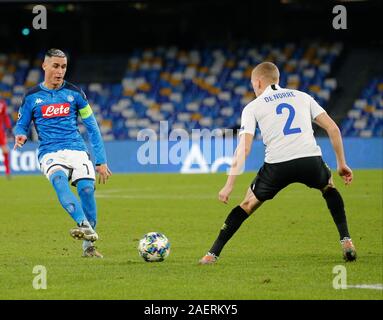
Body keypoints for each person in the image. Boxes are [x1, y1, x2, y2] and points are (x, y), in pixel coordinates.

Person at [199, 62, 356, 264]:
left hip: (277, 165)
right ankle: (346, 241)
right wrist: (341, 164)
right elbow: (333, 129)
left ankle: (211, 255)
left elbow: (244, 148)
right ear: (277, 79)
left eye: (252, 85)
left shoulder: (253, 107)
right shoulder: (303, 97)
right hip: (309, 160)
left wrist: (229, 184)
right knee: (328, 187)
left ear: (258, 82)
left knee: (247, 204)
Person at [14, 48, 112, 258]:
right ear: (45, 66)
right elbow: (20, 124)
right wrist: (20, 134)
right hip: (50, 151)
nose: (60, 71)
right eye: (56, 66)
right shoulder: (32, 97)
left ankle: (89, 248)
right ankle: (83, 224)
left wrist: (101, 161)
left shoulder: (76, 94)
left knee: (86, 189)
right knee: (58, 179)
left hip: (77, 149)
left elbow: (92, 127)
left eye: (64, 67)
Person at [0, 98, 12, 178]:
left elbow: (5, 116)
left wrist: (9, 127)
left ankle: (7, 172)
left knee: (5, 150)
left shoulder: (2, 103)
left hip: (0, 131)